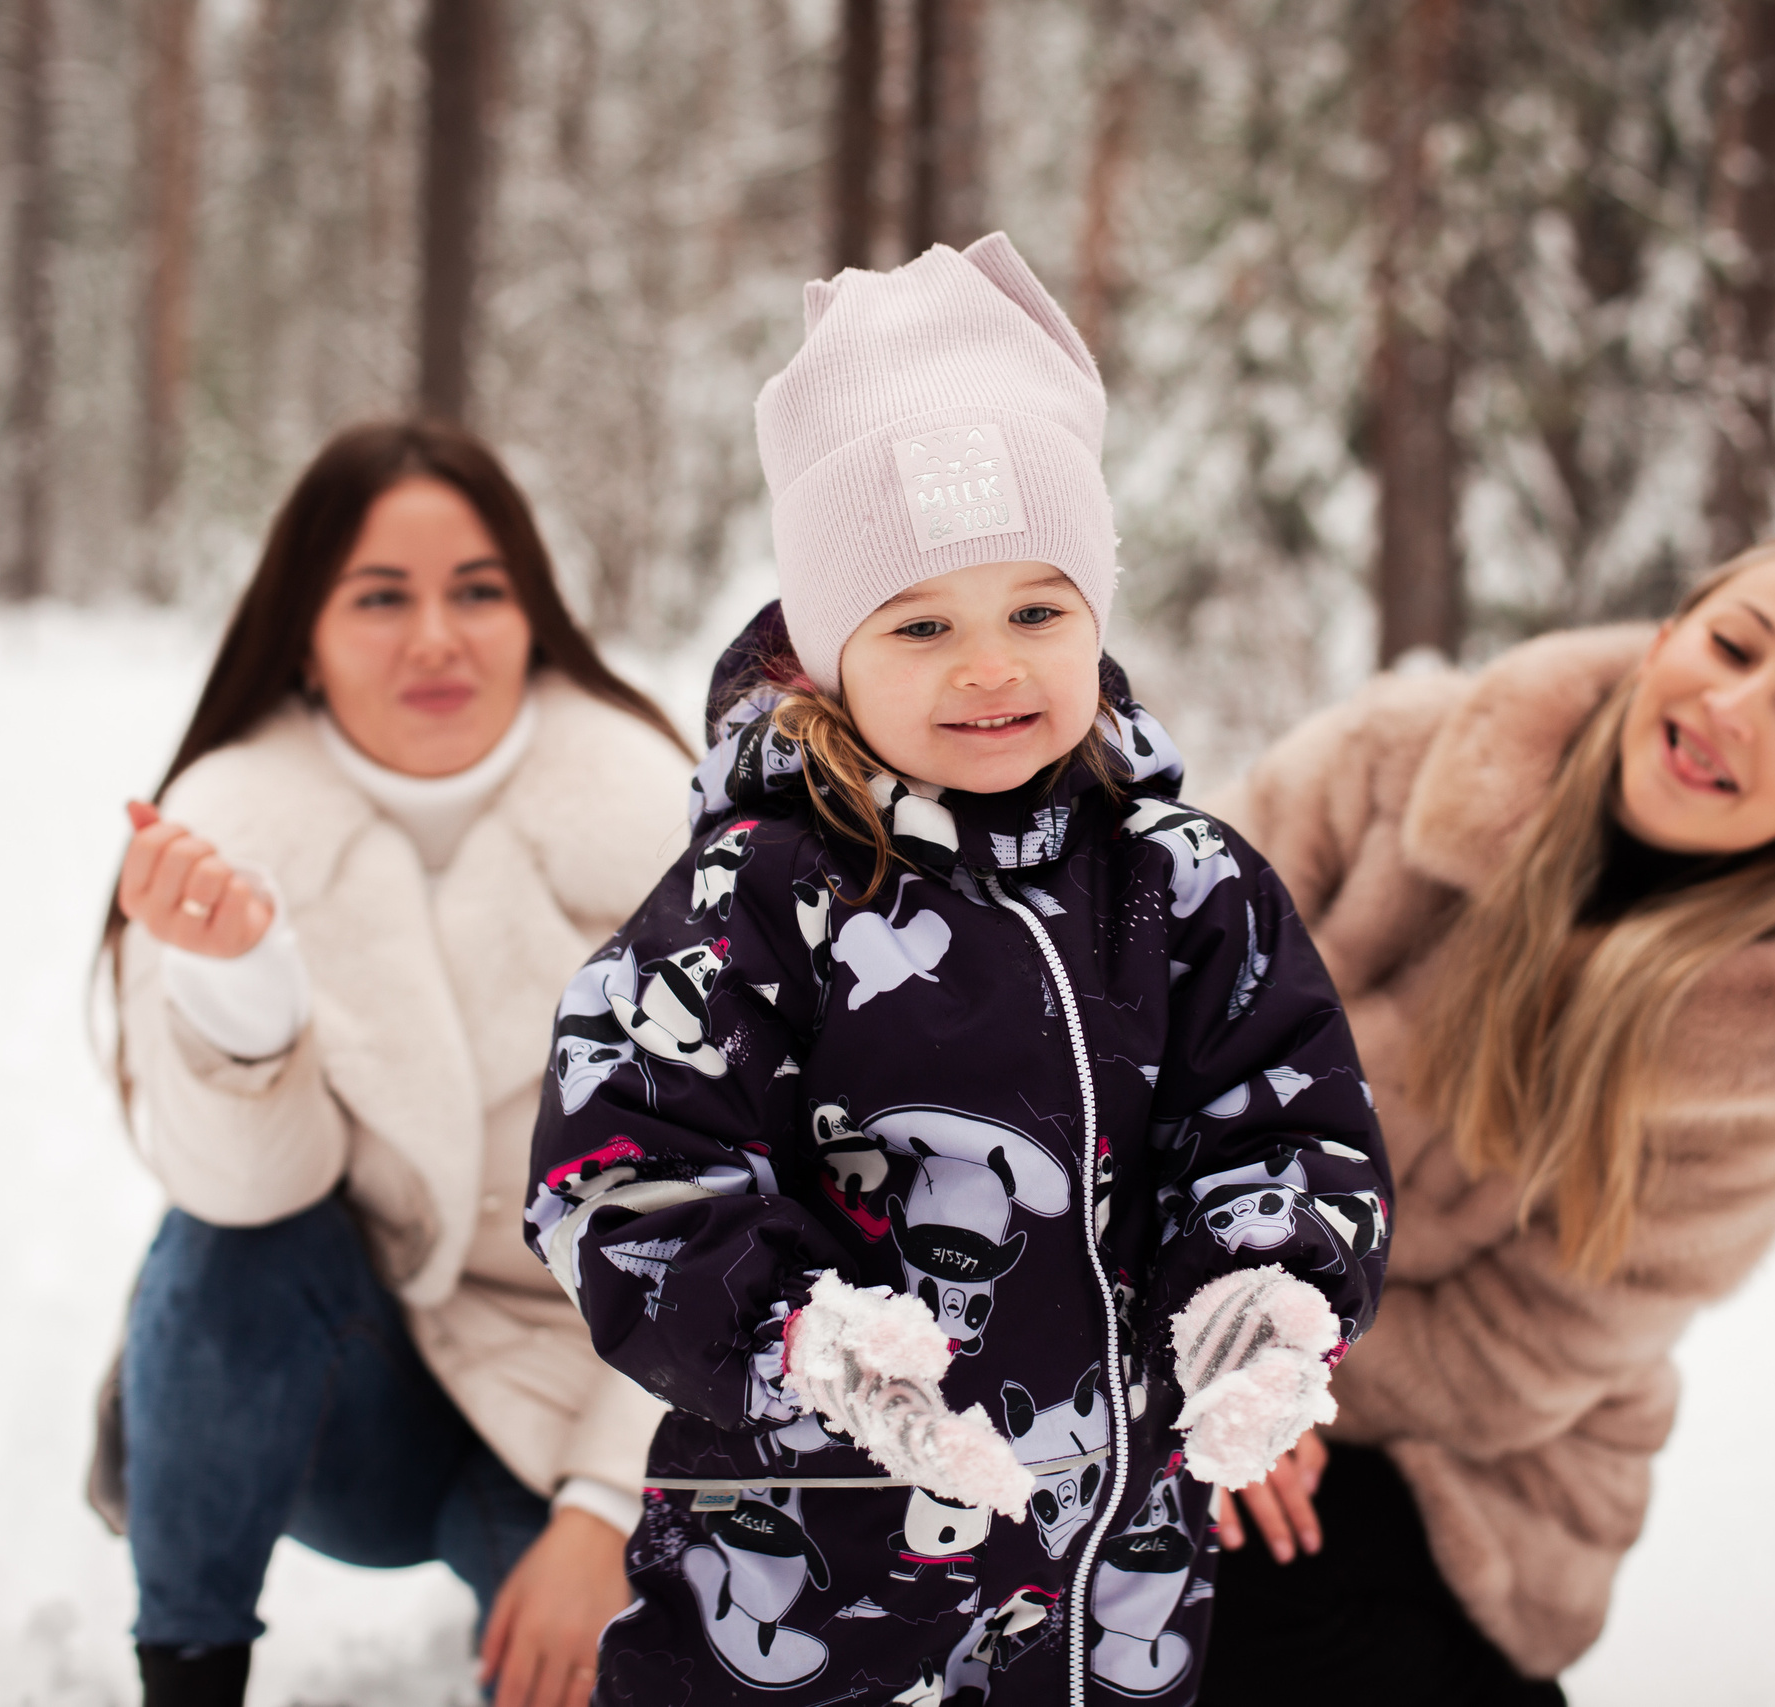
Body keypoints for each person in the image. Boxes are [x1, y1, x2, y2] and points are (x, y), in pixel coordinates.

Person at [519, 233, 1393, 1706]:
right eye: (923, 624)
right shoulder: (759, 892)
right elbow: (623, 1159)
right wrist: (803, 1340)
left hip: (1108, 1595)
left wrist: (1262, 1290)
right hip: (800, 1583)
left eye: (1037, 612)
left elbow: (1287, 1118)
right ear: (824, 650)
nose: (991, 668)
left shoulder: (1184, 886)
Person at [1195, 536, 1775, 1703]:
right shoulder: (1391, 761)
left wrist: (1266, 1394)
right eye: (1730, 645)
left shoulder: (1774, 1038)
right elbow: (1136, 1023)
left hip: (1462, 1464)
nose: (1734, 707)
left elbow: (1510, 1358)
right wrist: (1205, 1355)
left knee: (1252, 1599)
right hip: (1171, 1310)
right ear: (1664, 639)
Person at [93, 420, 696, 1707]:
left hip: (606, 1392)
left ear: (531, 609)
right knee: (214, 1246)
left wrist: (606, 1508)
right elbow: (245, 1201)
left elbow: (750, 1214)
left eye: (477, 590)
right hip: (360, 1398)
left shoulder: (666, 826)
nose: (437, 637)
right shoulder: (227, 832)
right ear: (302, 625)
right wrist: (244, 992)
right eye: (381, 597)